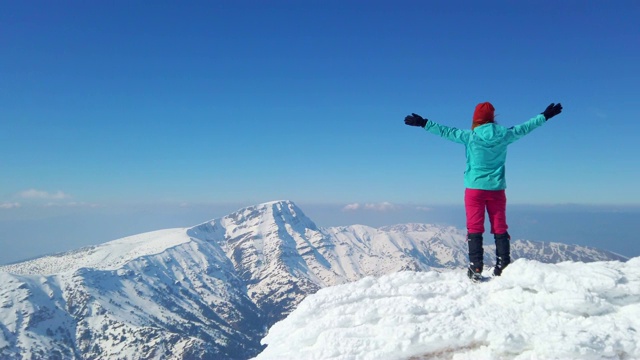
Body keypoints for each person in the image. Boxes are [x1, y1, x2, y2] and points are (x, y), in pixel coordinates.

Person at [404, 102, 562, 281]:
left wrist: (423, 122)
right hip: (496, 189)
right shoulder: (505, 135)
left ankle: (476, 267)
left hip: (474, 188)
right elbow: (525, 127)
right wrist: (544, 116)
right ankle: (503, 265)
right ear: (492, 119)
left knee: (475, 226)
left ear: (475, 119)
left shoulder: (470, 136)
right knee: (500, 226)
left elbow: (445, 131)